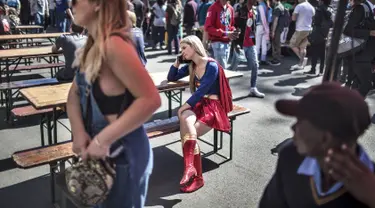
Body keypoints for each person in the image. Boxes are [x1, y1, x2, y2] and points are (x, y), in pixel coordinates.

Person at [67, 0, 161, 207]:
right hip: (102, 160)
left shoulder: (114, 45)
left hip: (123, 160)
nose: (70, 4)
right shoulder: (93, 44)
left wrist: (101, 141)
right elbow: (73, 96)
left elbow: (151, 99)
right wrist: (79, 132)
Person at [259, 82, 375, 208]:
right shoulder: (290, 155)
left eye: (300, 121)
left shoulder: (369, 191)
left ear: (325, 138)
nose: (292, 127)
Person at [167, 35, 233, 193]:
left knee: (188, 132)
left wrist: (184, 106)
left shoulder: (212, 65)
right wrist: (177, 61)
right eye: (181, 49)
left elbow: (202, 90)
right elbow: (172, 77)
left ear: (195, 47)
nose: (182, 51)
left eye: (184, 48)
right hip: (199, 105)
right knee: (185, 120)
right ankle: (191, 171)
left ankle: (196, 176)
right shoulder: (191, 66)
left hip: (212, 107)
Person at [343, 0, 375, 97]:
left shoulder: (371, 9)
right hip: (361, 55)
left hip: (369, 56)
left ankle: (349, 108)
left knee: (357, 85)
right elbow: (348, 30)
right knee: (366, 85)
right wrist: (369, 33)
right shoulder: (361, 8)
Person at [204, 0, 238, 69]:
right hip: (217, 43)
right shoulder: (213, 8)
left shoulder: (230, 8)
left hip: (228, 43)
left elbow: (231, 25)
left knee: (224, 71)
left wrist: (233, 31)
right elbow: (208, 27)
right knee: (222, 71)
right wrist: (224, 33)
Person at [306, 0, 332, 75]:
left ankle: (313, 70)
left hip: (318, 32)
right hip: (326, 32)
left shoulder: (319, 9)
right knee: (323, 53)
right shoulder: (330, 9)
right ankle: (321, 70)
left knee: (315, 51)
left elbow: (316, 21)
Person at [290, 0, 315, 70]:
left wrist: (294, 14)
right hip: (309, 29)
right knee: (303, 47)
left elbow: (293, 18)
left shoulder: (299, 6)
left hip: (300, 29)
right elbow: (312, 18)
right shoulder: (311, 7)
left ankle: (302, 59)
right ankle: (300, 64)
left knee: (292, 44)